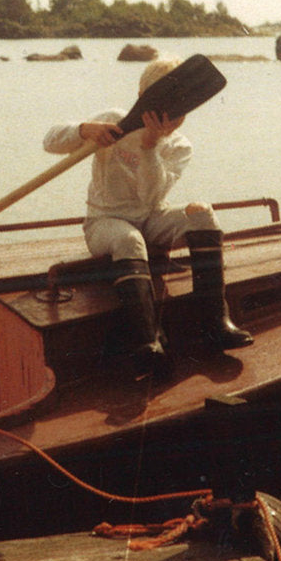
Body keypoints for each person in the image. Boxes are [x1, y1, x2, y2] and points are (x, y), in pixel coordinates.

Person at [43, 58, 252, 375]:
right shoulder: (114, 120)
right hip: (104, 222)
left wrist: (150, 146)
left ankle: (215, 323)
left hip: (151, 217)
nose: (174, 118)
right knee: (129, 239)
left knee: (202, 213)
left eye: (182, 109)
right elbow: (50, 141)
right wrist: (84, 130)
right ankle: (147, 339)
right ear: (143, 97)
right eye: (167, 108)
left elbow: (149, 196)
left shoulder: (179, 146)